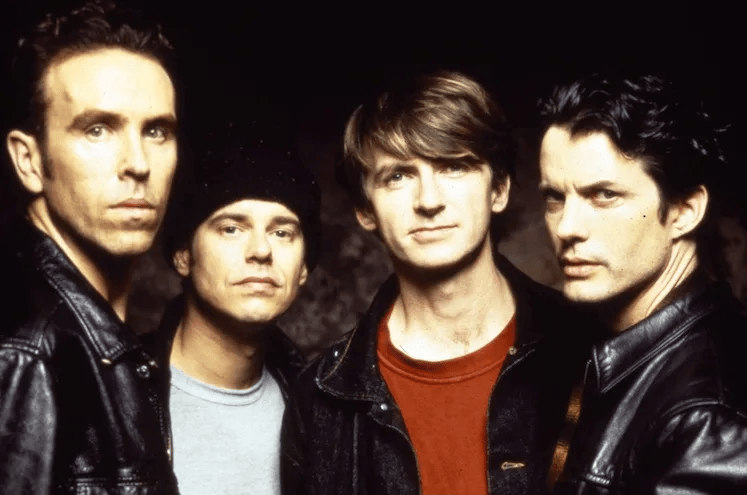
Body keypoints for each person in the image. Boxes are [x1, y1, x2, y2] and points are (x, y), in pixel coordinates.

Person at [281, 70, 588, 495]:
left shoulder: (590, 349)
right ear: (365, 210)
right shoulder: (319, 398)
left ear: (499, 189)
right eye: (398, 176)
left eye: (454, 166)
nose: (429, 201)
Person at [0, 1, 180, 492]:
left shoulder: (86, 339)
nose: (138, 163)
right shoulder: (27, 354)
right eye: (97, 129)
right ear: (29, 161)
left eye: (157, 131)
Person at [538, 72, 747, 493]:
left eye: (604, 195)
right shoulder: (593, 346)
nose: (567, 227)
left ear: (684, 211)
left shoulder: (707, 422)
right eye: (555, 198)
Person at [143, 120, 321, 495]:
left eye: (282, 232)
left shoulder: (321, 411)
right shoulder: (113, 397)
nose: (261, 250)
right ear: (183, 255)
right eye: (231, 229)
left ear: (303, 268)